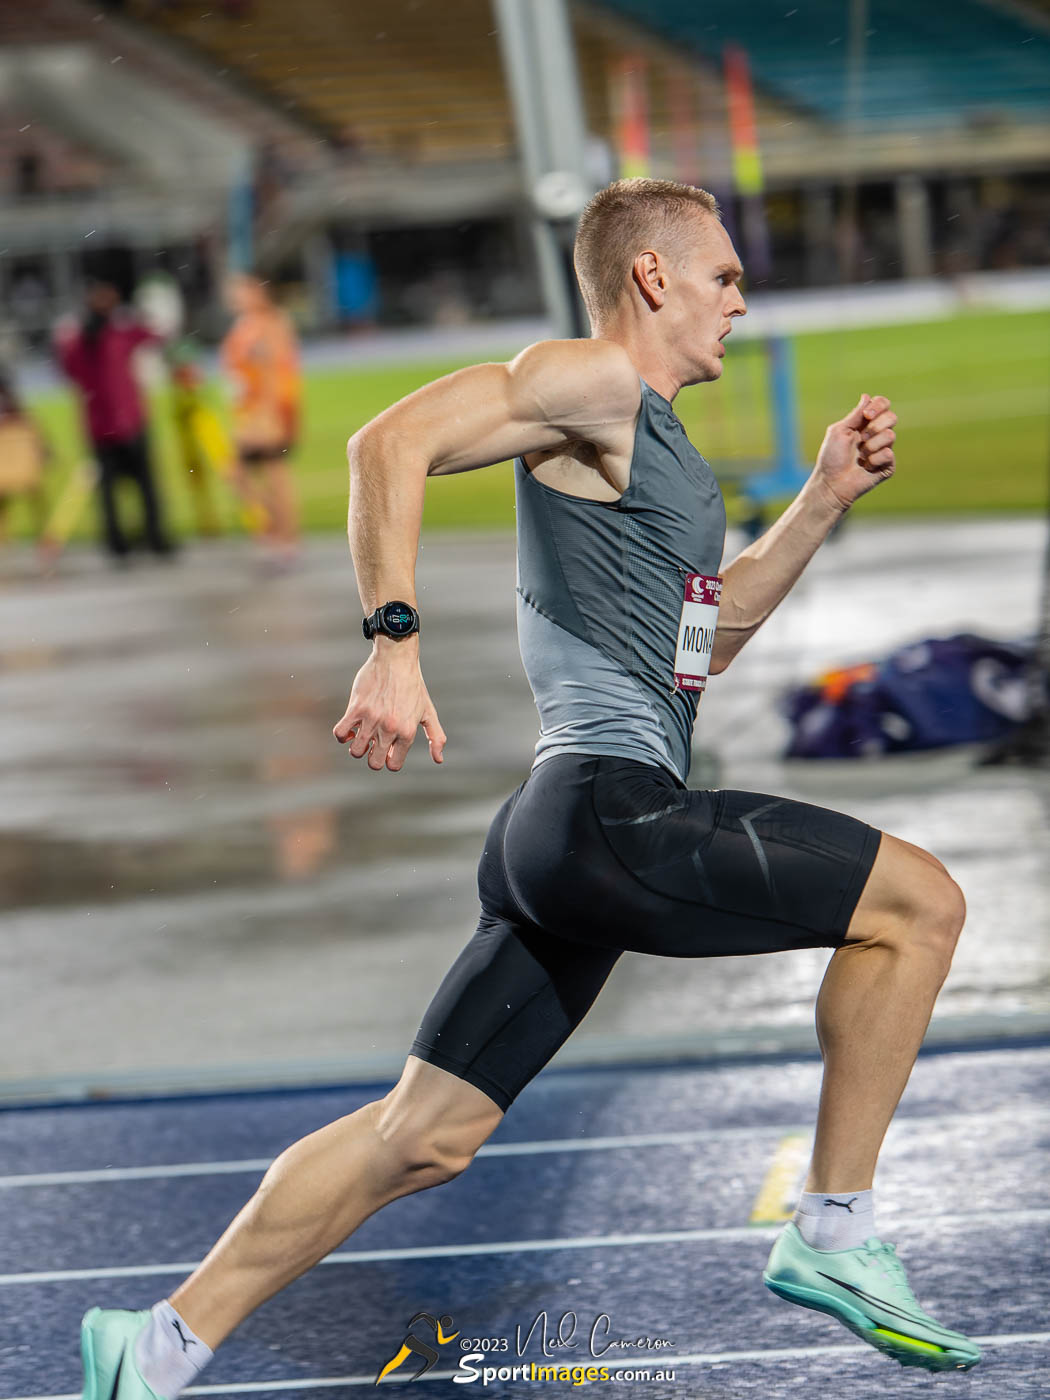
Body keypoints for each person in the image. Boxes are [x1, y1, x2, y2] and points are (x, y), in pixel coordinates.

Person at [78, 179, 980, 1396]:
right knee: (918, 904)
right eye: (721, 275)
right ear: (651, 276)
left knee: (423, 1134)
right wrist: (393, 641)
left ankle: (157, 1343)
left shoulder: (656, 444)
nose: (740, 297)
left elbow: (695, 652)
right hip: (611, 814)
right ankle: (833, 1227)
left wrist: (820, 501)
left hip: (565, 831)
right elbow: (385, 442)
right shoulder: (595, 381)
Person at [54, 280, 175, 562]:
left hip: (116, 422)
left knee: (131, 488)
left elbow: (152, 336)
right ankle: (134, 540)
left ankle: (137, 539)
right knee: (130, 487)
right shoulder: (99, 336)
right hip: (115, 422)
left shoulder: (90, 337)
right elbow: (154, 335)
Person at [220, 271, 302, 570]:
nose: (234, 296)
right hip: (247, 412)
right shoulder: (243, 325)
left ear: (258, 291)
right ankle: (275, 535)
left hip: (267, 412)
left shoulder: (271, 323)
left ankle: (284, 540)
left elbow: (274, 368)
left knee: (270, 473)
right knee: (243, 474)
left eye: (241, 289)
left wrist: (269, 413)